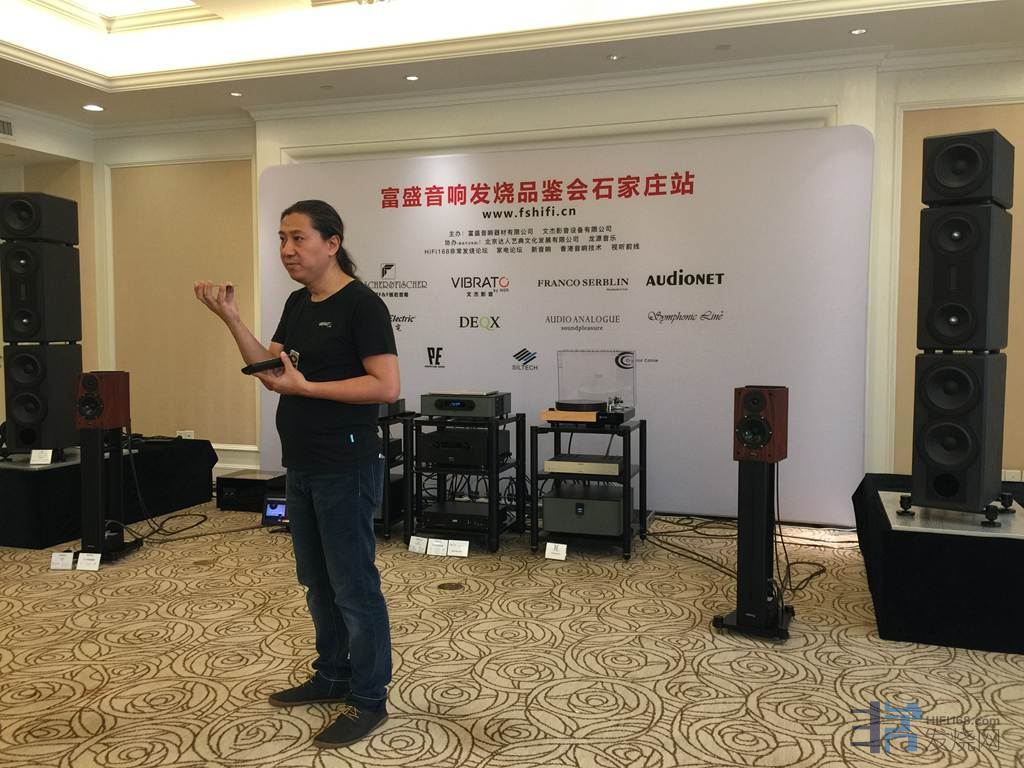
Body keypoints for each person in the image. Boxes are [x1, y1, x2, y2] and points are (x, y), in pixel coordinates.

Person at [194, 199, 399, 748]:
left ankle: (369, 697)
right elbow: (270, 371)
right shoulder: (297, 302)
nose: (287, 250)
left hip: (346, 466)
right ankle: (332, 674)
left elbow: (385, 386)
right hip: (302, 462)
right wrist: (232, 319)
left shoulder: (363, 306)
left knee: (353, 586)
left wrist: (307, 387)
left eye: (298, 238)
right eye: (282, 239)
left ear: (332, 243)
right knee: (316, 580)